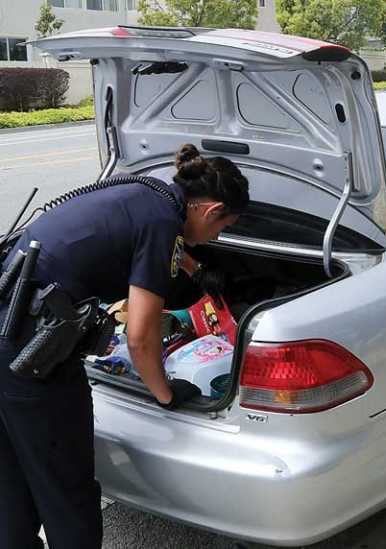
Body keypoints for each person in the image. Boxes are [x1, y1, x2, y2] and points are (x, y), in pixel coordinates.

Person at [0, 143, 250, 549]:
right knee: (67, 490)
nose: (215, 237)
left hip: (7, 328)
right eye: (222, 228)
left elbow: (138, 237)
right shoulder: (162, 223)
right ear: (210, 210)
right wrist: (165, 394)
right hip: (33, 359)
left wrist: (195, 270)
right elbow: (140, 336)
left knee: (11, 484)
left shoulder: (151, 191)